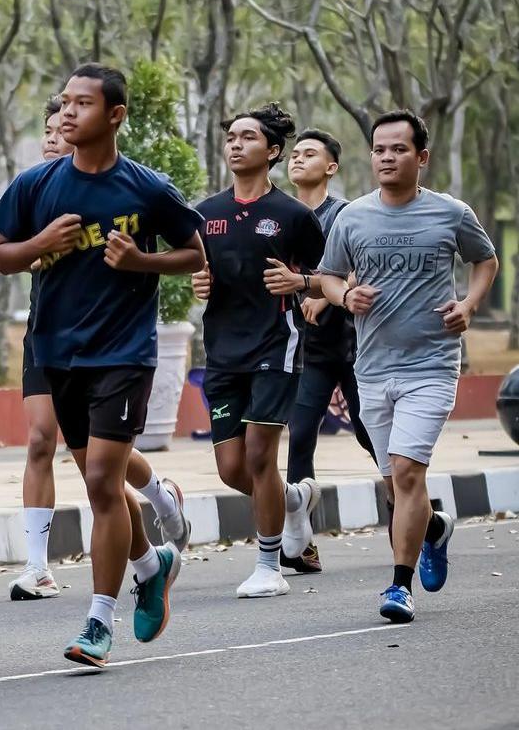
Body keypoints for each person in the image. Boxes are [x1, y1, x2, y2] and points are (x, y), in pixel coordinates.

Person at [0, 63, 204, 667]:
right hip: (57, 353)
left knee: (103, 483)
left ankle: (97, 621)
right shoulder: (36, 184)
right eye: (64, 103)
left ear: (115, 115)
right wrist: (37, 247)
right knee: (99, 481)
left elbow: (193, 253)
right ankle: (151, 562)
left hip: (123, 354)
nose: (67, 113)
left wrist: (141, 262)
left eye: (82, 104)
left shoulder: (147, 188)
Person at [318, 110, 497, 623]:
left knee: (407, 471)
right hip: (372, 368)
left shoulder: (451, 213)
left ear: (421, 158)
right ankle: (435, 527)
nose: (387, 158)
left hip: (432, 365)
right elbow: (328, 277)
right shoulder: (352, 217)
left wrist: (468, 305)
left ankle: (399, 586)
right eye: (379, 150)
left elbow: (485, 260)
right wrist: (345, 294)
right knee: (396, 485)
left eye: (398, 149)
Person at [190, 103, 326, 599]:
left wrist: (302, 281)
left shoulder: (294, 216)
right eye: (231, 137)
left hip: (277, 345)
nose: (235, 144)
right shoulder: (206, 213)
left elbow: (334, 278)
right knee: (232, 470)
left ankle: (271, 565)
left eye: (247, 137)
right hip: (222, 350)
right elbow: (198, 266)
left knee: (260, 456)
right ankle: (293, 502)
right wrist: (199, 279)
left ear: (271, 151)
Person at [280, 129, 376, 573]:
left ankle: (415, 514)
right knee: (300, 435)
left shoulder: (346, 214)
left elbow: (362, 267)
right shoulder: (279, 215)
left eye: (310, 153)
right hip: (308, 350)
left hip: (353, 345)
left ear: (331, 167)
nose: (298, 159)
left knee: (368, 433)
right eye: (294, 153)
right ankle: (301, 542)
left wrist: (326, 292)